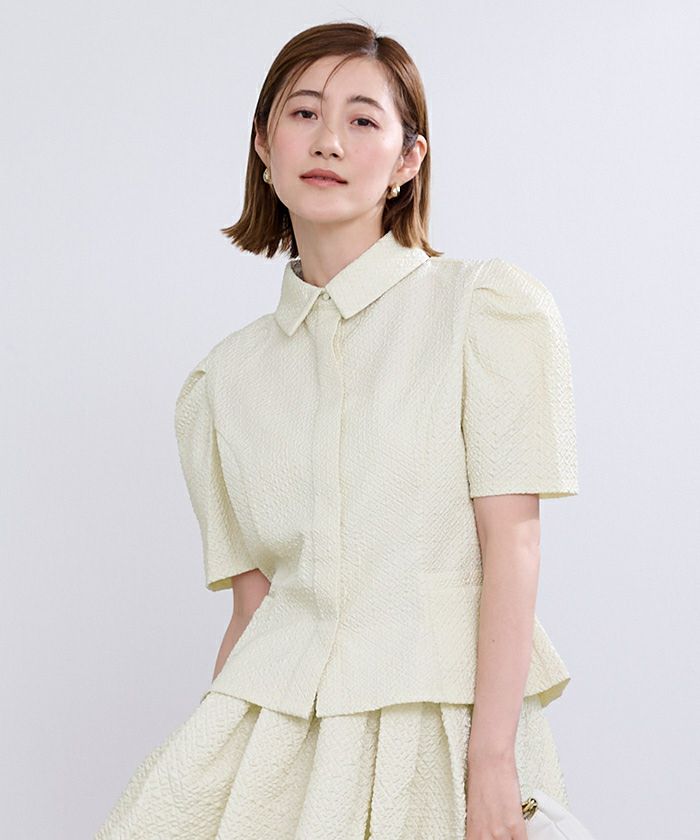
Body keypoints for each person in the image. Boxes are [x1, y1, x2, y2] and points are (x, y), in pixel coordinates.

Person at [95, 20, 580, 840]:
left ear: (408, 160)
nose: (328, 140)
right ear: (263, 143)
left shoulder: (483, 312)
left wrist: (492, 760)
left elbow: (514, 545)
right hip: (277, 735)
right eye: (304, 113)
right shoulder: (223, 383)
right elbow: (253, 611)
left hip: (439, 730)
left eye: (362, 119)